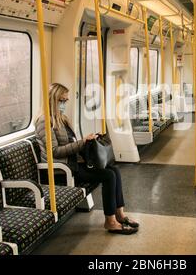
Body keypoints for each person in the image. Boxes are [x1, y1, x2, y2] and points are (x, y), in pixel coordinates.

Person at [35, 83, 139, 235]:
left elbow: (69, 144)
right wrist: (82, 142)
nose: (64, 104)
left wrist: (88, 142)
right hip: (60, 169)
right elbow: (54, 152)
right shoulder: (44, 121)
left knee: (114, 170)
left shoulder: (61, 119)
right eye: (61, 101)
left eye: (66, 101)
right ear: (52, 100)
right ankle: (110, 222)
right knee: (108, 176)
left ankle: (119, 214)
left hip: (72, 163)